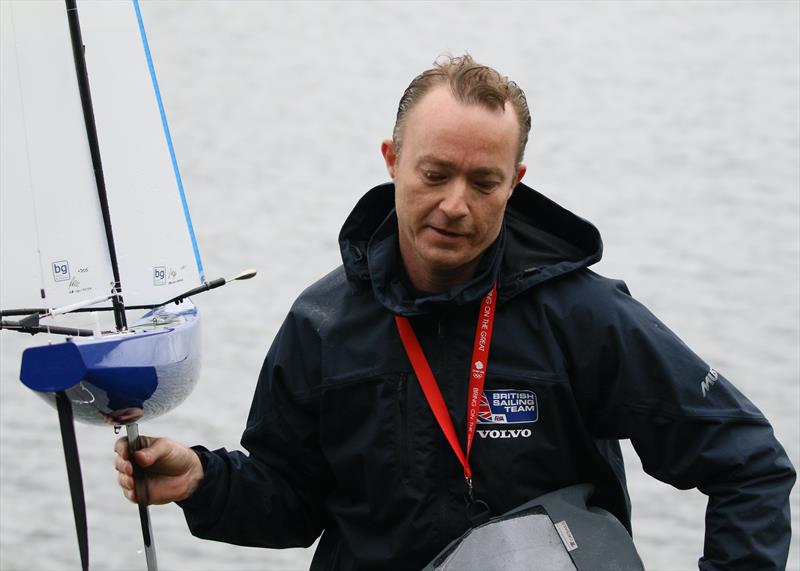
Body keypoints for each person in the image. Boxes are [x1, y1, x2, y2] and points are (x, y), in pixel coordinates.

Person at [114, 54, 795, 570]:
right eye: (435, 173)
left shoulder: (584, 315)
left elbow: (748, 464)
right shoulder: (322, 323)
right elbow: (292, 500)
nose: (454, 204)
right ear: (393, 159)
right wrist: (201, 480)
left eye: (483, 181)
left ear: (516, 182)